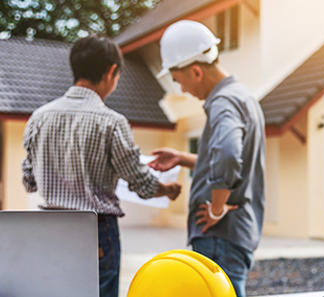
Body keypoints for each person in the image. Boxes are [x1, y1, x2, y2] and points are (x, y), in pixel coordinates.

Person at [22, 36, 181, 297]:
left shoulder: (39, 117)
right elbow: (140, 183)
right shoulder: (112, 122)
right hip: (96, 230)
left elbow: (30, 181)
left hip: (50, 227)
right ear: (111, 72)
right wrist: (168, 190)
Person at [149, 20, 265, 297]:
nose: (182, 90)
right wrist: (183, 158)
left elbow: (227, 154)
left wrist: (215, 208)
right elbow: (226, 156)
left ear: (196, 71)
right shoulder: (243, 97)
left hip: (219, 237)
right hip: (231, 237)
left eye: (179, 81)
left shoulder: (223, 102)